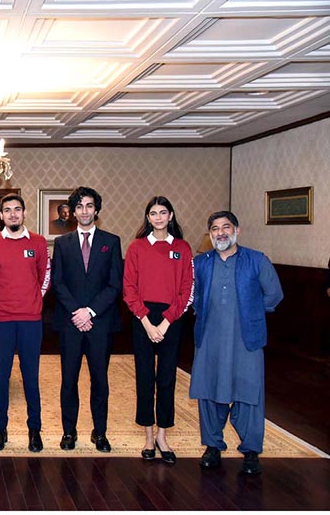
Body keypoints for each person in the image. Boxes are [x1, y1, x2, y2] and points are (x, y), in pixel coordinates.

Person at [190, 211, 283, 475]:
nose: (221, 233)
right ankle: (212, 446)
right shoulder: (201, 263)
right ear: (210, 234)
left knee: (249, 392)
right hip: (209, 338)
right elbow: (192, 297)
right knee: (208, 391)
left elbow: (274, 295)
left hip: (246, 339)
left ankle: (251, 451)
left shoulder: (257, 260)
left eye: (226, 227)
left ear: (237, 231)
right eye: (215, 229)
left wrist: (251, 314)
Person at [51, 186, 122, 453]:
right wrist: (77, 313)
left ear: (97, 209)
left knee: (100, 381)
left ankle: (99, 433)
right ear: (72, 212)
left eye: (89, 206)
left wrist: (90, 312)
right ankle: (69, 432)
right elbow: (57, 283)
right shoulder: (62, 244)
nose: (85, 211)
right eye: (79, 206)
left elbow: (115, 285)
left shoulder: (111, 241)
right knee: (68, 381)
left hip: (100, 324)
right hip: (70, 324)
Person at [123, 197, 194, 464]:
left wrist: (165, 322)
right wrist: (146, 321)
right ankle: (149, 436)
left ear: (171, 215)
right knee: (144, 379)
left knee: (166, 379)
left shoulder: (183, 248)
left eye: (163, 212)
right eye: (153, 213)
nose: (159, 217)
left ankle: (163, 436)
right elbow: (129, 289)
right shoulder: (137, 247)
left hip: (171, 319)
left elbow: (186, 290)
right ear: (148, 218)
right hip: (142, 319)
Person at [0, 193, 50, 452]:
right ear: (1, 215)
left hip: (31, 321)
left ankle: (35, 430)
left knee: (30, 378)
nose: (13, 214)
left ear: (24, 213)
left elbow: (44, 277)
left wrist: (33, 301)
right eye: (8, 210)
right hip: (1, 321)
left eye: (17, 209)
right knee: (1, 379)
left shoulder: (39, 242)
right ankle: (0, 430)